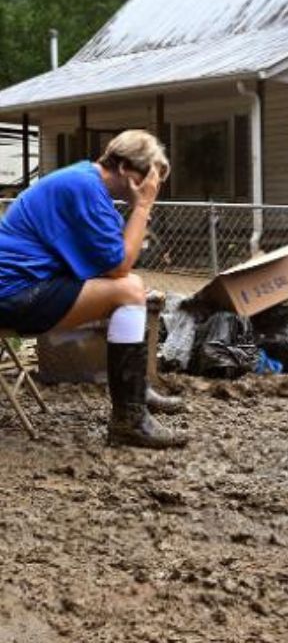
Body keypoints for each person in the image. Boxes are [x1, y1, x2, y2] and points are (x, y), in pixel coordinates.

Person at [0, 130, 186, 448]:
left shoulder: (86, 183)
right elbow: (119, 266)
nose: (155, 186)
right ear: (127, 170)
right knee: (128, 290)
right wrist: (143, 206)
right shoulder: (83, 187)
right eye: (151, 177)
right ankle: (130, 420)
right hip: (14, 294)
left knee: (131, 289)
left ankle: (135, 394)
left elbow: (109, 261)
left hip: (25, 287)